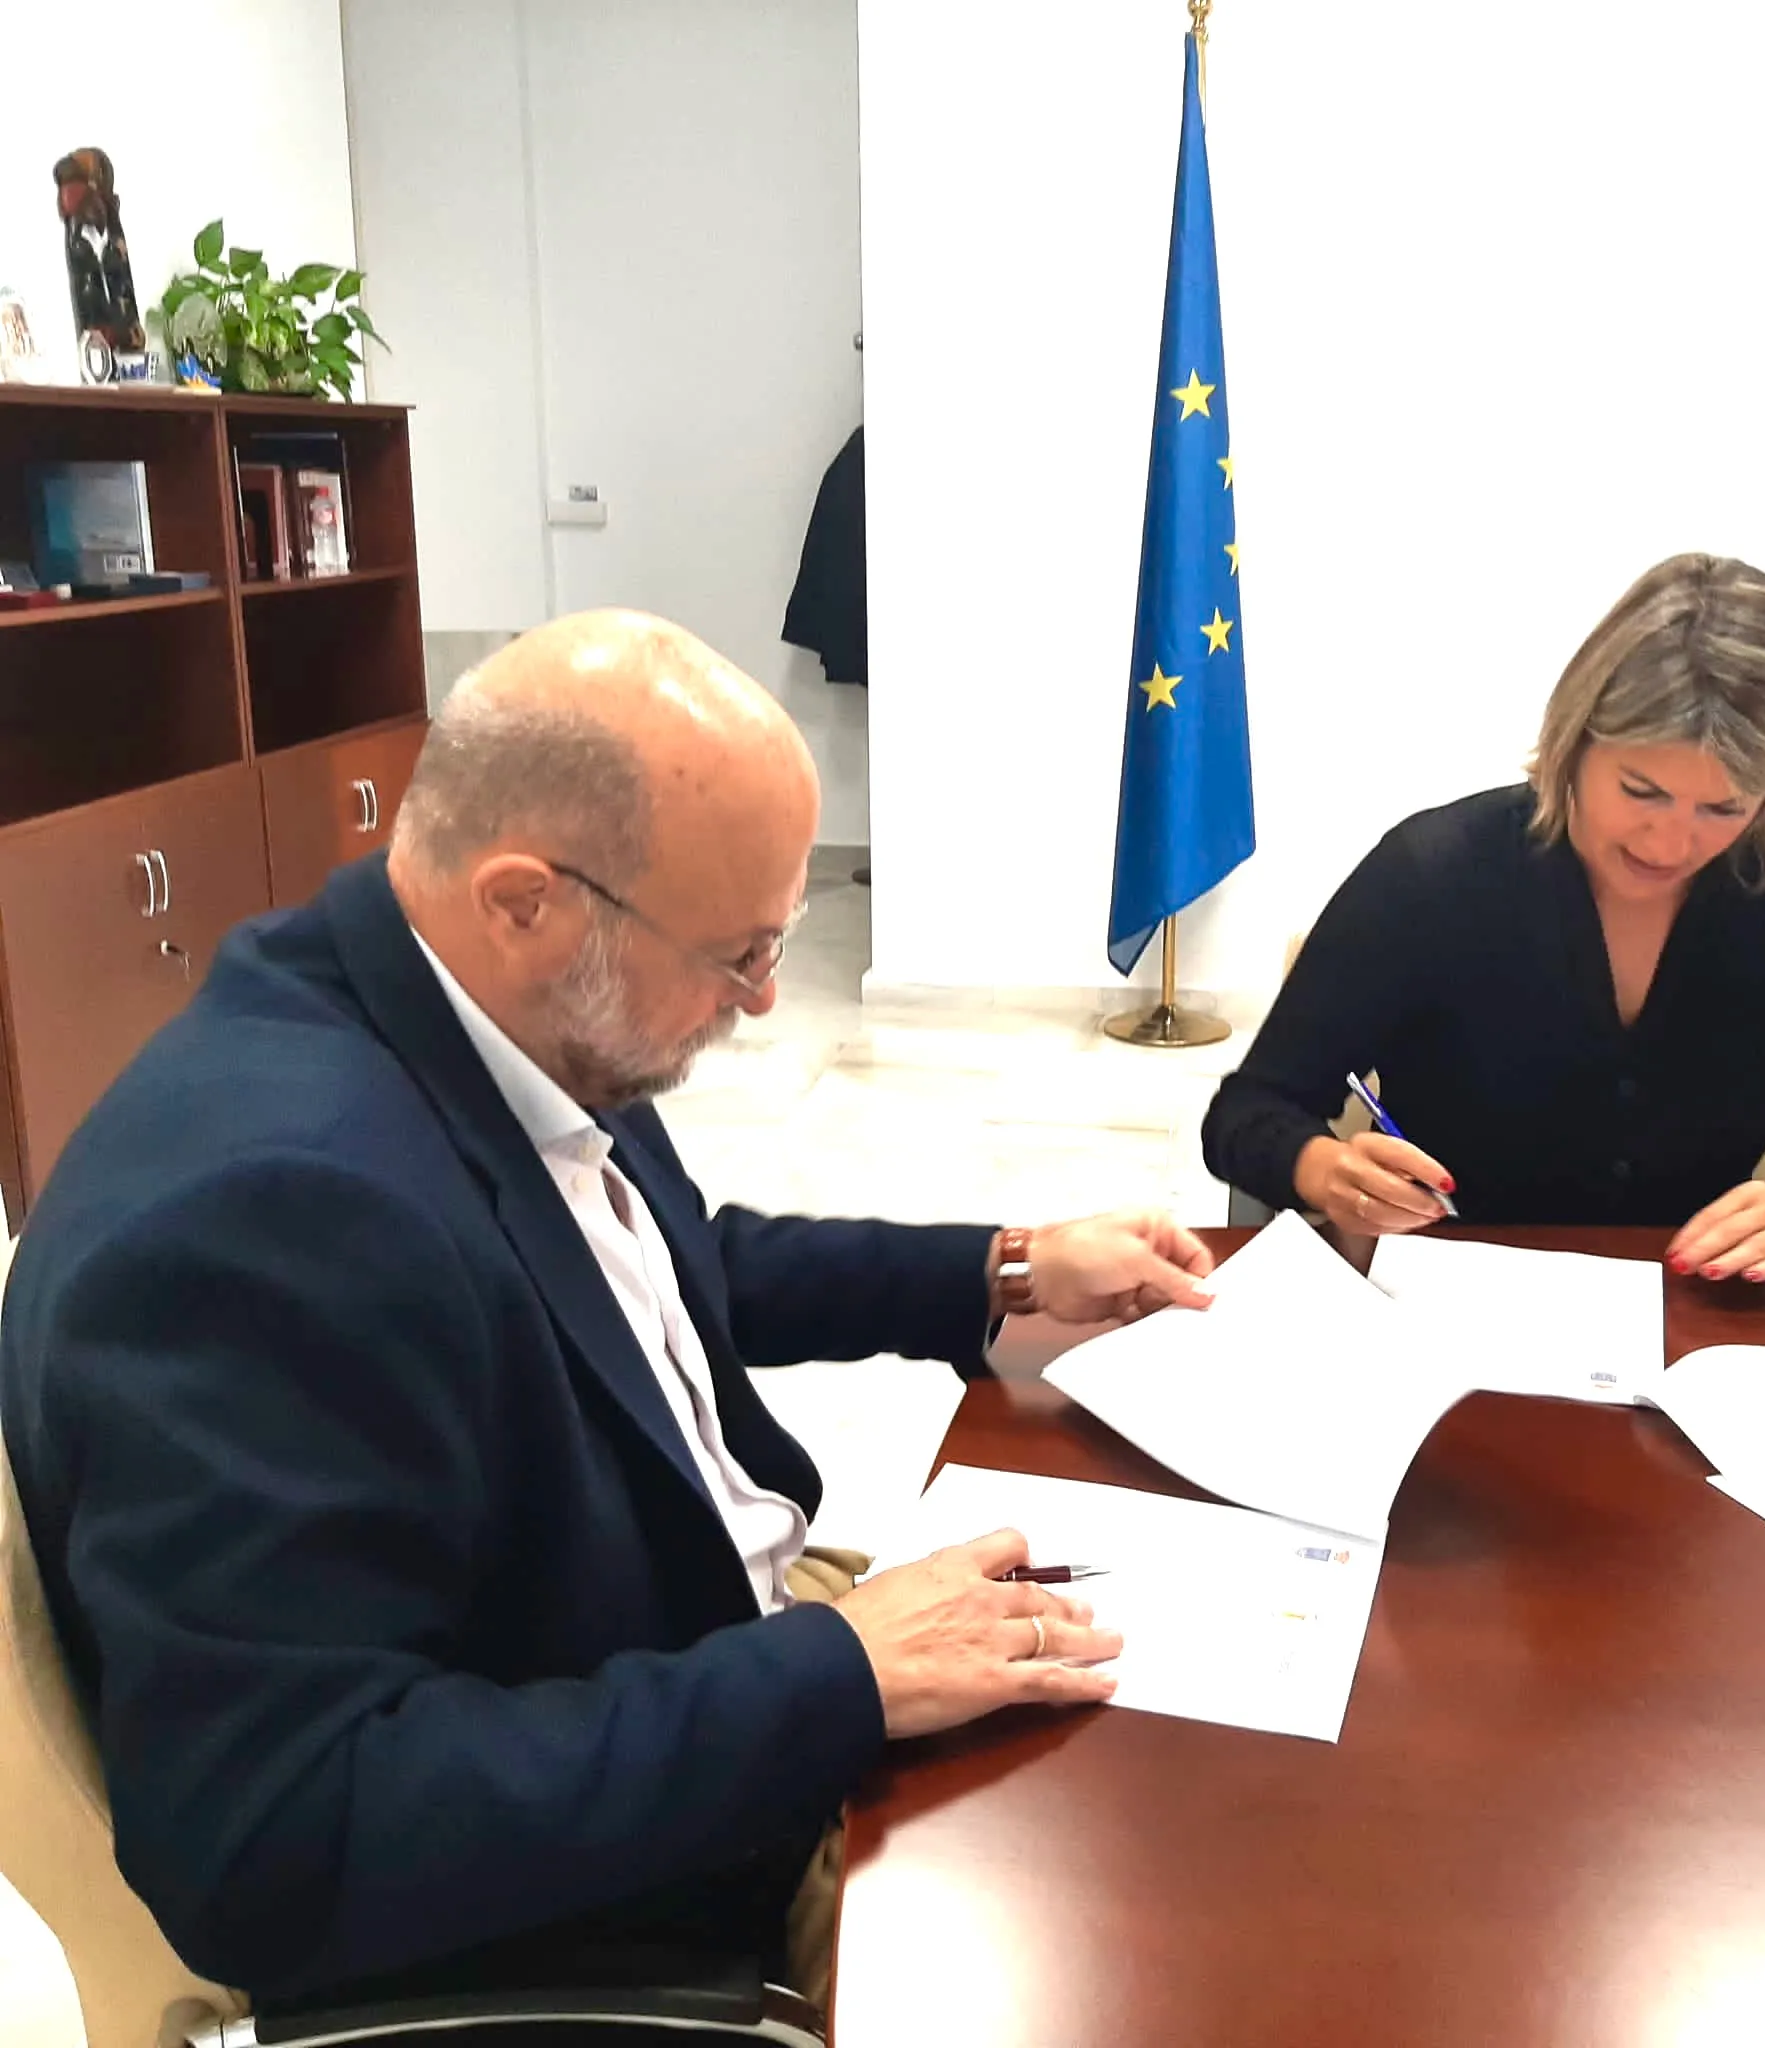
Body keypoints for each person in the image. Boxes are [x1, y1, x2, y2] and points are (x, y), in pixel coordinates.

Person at [0, 611, 1216, 2011]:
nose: (764, 1000)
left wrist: (1000, 1269)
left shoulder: (470, 1001)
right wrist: (836, 1676)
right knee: (1137, 1945)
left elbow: (655, 1268)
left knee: (1164, 1754)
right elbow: (285, 1837)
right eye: (735, 956)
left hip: (716, 1635)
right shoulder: (266, 1227)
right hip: (647, 1876)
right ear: (525, 899)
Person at [1203, 553, 1765, 1279]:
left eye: (1724, 809)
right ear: (1573, 742)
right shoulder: (1433, 873)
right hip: (1449, 1298)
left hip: (1692, 1313)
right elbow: (1248, 1114)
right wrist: (1324, 1169)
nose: (1670, 843)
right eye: (1641, 791)